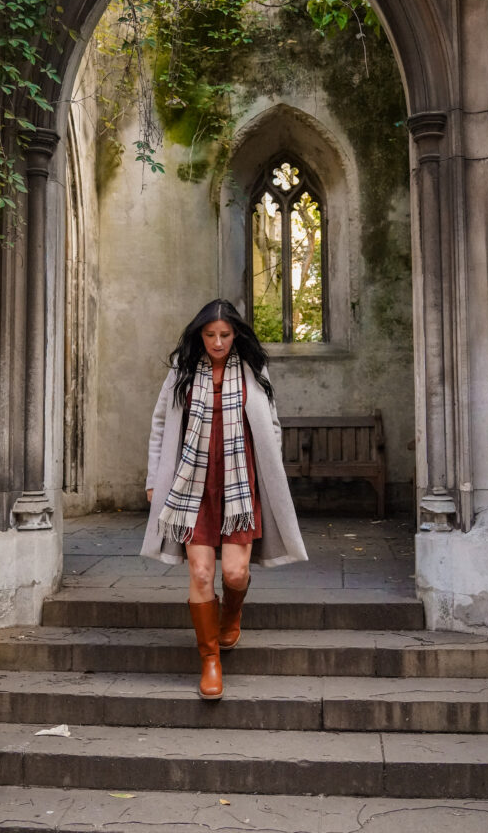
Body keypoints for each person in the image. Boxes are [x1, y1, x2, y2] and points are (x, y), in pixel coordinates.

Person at [141, 299, 307, 700]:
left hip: (238, 482)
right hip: (191, 484)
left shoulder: (252, 369)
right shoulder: (182, 371)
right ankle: (210, 661)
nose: (217, 342)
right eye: (210, 335)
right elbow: (161, 423)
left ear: (236, 335)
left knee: (233, 574)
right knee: (200, 574)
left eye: (225, 335)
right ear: (200, 334)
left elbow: (272, 424)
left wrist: (269, 476)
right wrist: (152, 478)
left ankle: (232, 611)